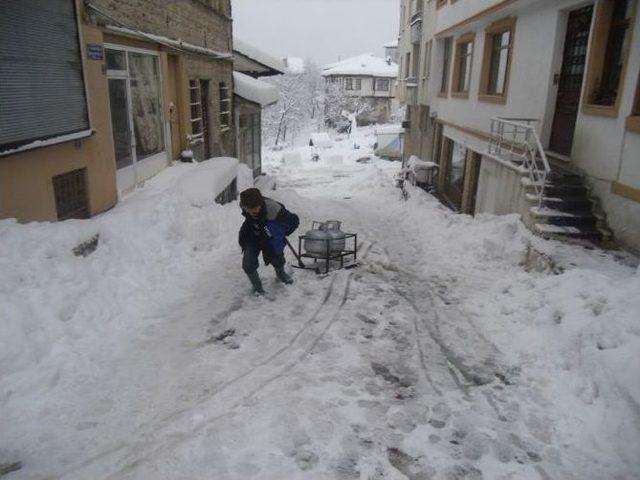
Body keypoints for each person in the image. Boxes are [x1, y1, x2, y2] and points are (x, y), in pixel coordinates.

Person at [238, 188, 300, 294]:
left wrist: (282, 233)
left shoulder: (274, 209)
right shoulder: (244, 205)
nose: (254, 211)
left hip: (270, 237)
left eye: (256, 208)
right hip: (252, 234)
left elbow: (294, 221)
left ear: (261, 203)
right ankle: (257, 287)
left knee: (277, 257)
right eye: (250, 209)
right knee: (248, 264)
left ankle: (281, 274)